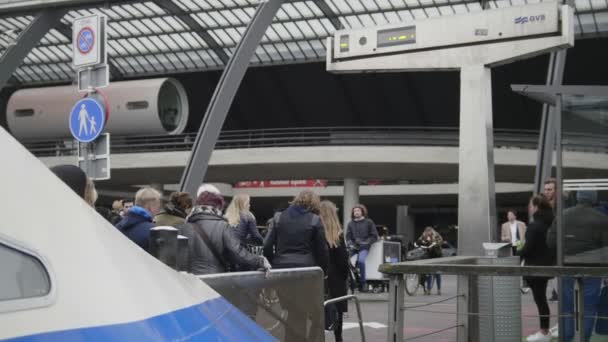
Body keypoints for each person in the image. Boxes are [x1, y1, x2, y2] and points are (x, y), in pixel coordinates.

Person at [263, 190, 329, 342]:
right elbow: (322, 251)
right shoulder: (314, 220)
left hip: (282, 270)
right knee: (300, 313)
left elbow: (266, 245)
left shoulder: (278, 218)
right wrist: (323, 271)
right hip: (306, 271)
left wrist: (274, 263)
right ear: (313, 203)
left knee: (291, 311)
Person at [546, 190, 608, 341]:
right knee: (588, 307)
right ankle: (583, 339)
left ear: (578, 198)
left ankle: (567, 338)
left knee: (566, 307)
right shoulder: (602, 218)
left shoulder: (563, 215)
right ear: (594, 199)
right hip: (593, 268)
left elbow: (550, 242)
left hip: (566, 265)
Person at [179, 184, 270, 275]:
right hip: (214, 278)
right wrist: (260, 261)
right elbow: (237, 253)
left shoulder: (184, 227)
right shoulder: (222, 226)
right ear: (218, 207)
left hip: (188, 282)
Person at [518, 195, 555, 342]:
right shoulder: (551, 222)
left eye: (530, 205)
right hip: (547, 265)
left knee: (540, 300)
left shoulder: (534, 225)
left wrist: (517, 254)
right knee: (542, 300)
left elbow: (528, 248)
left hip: (534, 268)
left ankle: (544, 332)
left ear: (536, 207)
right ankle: (545, 331)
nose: (529, 207)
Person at [319, 200, 349, 342]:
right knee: (338, 311)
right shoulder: (337, 234)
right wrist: (345, 276)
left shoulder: (315, 231)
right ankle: (338, 338)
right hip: (336, 278)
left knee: (318, 311)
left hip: (319, 275)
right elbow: (343, 260)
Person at [115, 187, 162, 252]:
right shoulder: (154, 232)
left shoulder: (117, 226)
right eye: (158, 207)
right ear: (150, 207)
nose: (158, 211)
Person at [346, 204, 378, 292]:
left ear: (362, 212)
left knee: (361, 261)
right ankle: (352, 275)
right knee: (344, 259)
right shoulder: (350, 224)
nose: (356, 212)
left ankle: (363, 283)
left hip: (364, 247)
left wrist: (366, 242)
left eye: (358, 211)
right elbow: (348, 237)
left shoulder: (369, 222)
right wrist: (349, 243)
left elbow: (374, 236)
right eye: (355, 211)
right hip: (354, 247)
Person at [415, 227, 444, 295]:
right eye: (426, 233)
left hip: (437, 254)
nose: (428, 234)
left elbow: (441, 240)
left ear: (431, 232)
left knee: (437, 273)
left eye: (429, 233)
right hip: (429, 254)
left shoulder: (436, 235)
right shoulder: (423, 235)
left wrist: (435, 244)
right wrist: (417, 244)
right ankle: (428, 289)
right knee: (429, 273)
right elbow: (418, 241)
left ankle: (439, 289)